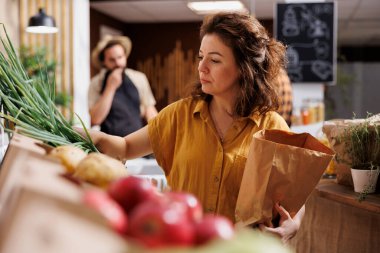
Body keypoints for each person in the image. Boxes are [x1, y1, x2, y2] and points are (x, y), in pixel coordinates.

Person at [84, 12, 304, 243]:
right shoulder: (179, 115)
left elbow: (296, 192)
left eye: (215, 60)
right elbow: (125, 146)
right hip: (180, 244)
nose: (202, 67)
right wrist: (84, 136)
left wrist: (294, 224)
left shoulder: (271, 127)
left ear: (244, 67)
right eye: (201, 57)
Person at [88, 35, 158, 137]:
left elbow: (150, 111)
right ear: (104, 62)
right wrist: (110, 87)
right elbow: (95, 119)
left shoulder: (139, 78)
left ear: (125, 56)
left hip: (136, 139)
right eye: (112, 60)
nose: (118, 63)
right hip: (109, 143)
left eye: (120, 57)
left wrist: (160, 133)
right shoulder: (96, 83)